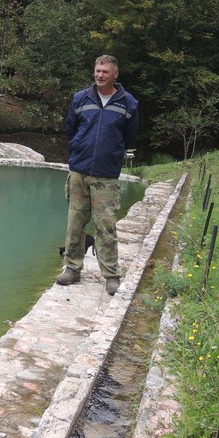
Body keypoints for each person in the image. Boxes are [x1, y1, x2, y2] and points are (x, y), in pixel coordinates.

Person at [57, 54, 139, 296]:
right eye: (97, 70)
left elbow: (130, 138)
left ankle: (111, 275)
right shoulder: (80, 98)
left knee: (106, 226)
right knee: (75, 224)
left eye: (105, 71)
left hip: (106, 175)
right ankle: (72, 269)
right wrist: (80, 147)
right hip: (79, 172)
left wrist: (111, 153)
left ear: (115, 74)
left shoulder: (129, 103)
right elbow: (70, 129)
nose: (99, 74)